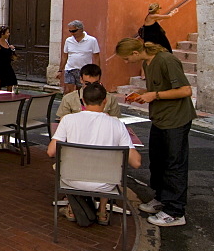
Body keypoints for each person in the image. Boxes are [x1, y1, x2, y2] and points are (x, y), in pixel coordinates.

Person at [116, 38, 196, 228]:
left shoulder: (166, 60)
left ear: (135, 53)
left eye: (127, 58)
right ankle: (162, 198)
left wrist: (155, 95)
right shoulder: (148, 62)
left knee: (174, 164)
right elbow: (158, 88)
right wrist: (142, 93)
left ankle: (175, 211)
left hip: (175, 120)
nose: (126, 62)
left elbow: (185, 90)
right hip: (160, 119)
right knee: (158, 161)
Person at [48, 82, 141, 225]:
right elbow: (136, 162)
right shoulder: (117, 125)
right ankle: (102, 211)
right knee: (109, 164)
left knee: (61, 165)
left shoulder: (68, 120)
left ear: (83, 101)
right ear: (105, 100)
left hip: (71, 180)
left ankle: (72, 208)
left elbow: (51, 152)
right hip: (105, 184)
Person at [57, 63, 121, 119]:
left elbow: (115, 120)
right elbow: (63, 120)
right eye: (87, 83)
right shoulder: (69, 99)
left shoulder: (110, 98)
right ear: (81, 80)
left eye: (95, 83)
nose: (91, 87)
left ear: (100, 80)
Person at [57, 20, 100, 94]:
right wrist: (60, 70)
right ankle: (67, 104)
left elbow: (96, 57)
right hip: (70, 69)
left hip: (84, 70)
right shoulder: (68, 40)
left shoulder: (92, 40)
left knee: (81, 91)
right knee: (68, 90)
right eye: (70, 31)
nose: (72, 33)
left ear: (81, 29)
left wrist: (97, 72)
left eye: (74, 31)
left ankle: (79, 105)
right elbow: (65, 56)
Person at [0, 26, 17, 90]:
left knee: (10, 82)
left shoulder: (6, 42)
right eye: (7, 32)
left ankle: (9, 97)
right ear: (2, 34)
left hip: (7, 66)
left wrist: (10, 48)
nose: (9, 34)